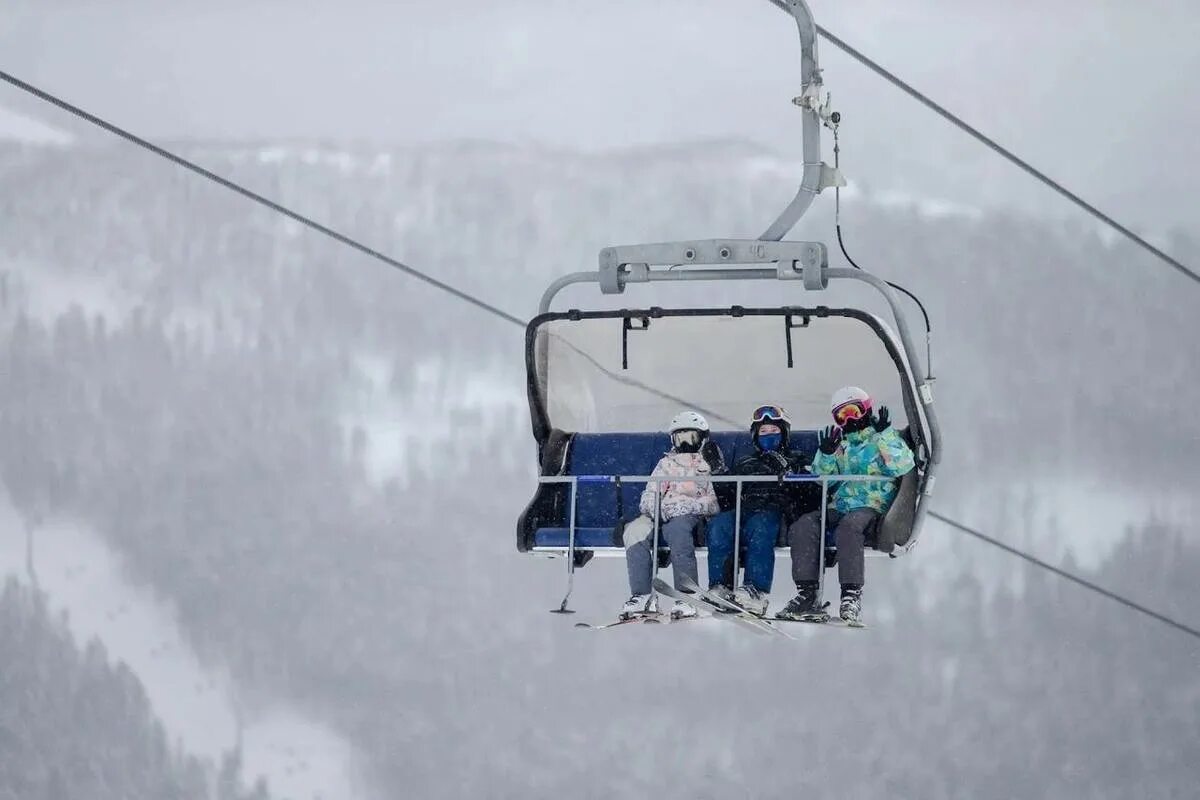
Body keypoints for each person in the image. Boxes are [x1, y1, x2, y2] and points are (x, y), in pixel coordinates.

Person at [779, 387, 916, 625]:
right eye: (842, 416)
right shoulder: (840, 444)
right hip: (841, 504)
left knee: (849, 527)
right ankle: (807, 593)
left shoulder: (882, 438)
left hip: (872, 504)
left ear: (866, 409)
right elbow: (825, 480)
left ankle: (851, 594)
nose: (850, 419)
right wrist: (826, 454)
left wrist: (885, 435)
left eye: (854, 411)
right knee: (804, 525)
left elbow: (902, 466)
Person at [705, 405, 817, 617]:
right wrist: (719, 473)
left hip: (776, 509)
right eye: (763, 432)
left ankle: (755, 589)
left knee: (761, 527)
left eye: (774, 431)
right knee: (721, 524)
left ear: (784, 434)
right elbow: (729, 498)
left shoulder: (796, 458)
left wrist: (788, 473)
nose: (768, 436)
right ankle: (721, 585)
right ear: (755, 437)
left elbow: (809, 495)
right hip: (746, 507)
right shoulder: (746, 462)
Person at [622, 410, 725, 620]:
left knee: (677, 531)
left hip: (689, 515)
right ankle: (642, 595)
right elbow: (650, 493)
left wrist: (684, 505)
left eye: (691, 438)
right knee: (634, 531)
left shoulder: (708, 465)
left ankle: (687, 595)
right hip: (661, 512)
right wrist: (658, 508)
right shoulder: (666, 463)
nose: (686, 444)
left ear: (702, 439)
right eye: (681, 438)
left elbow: (713, 502)